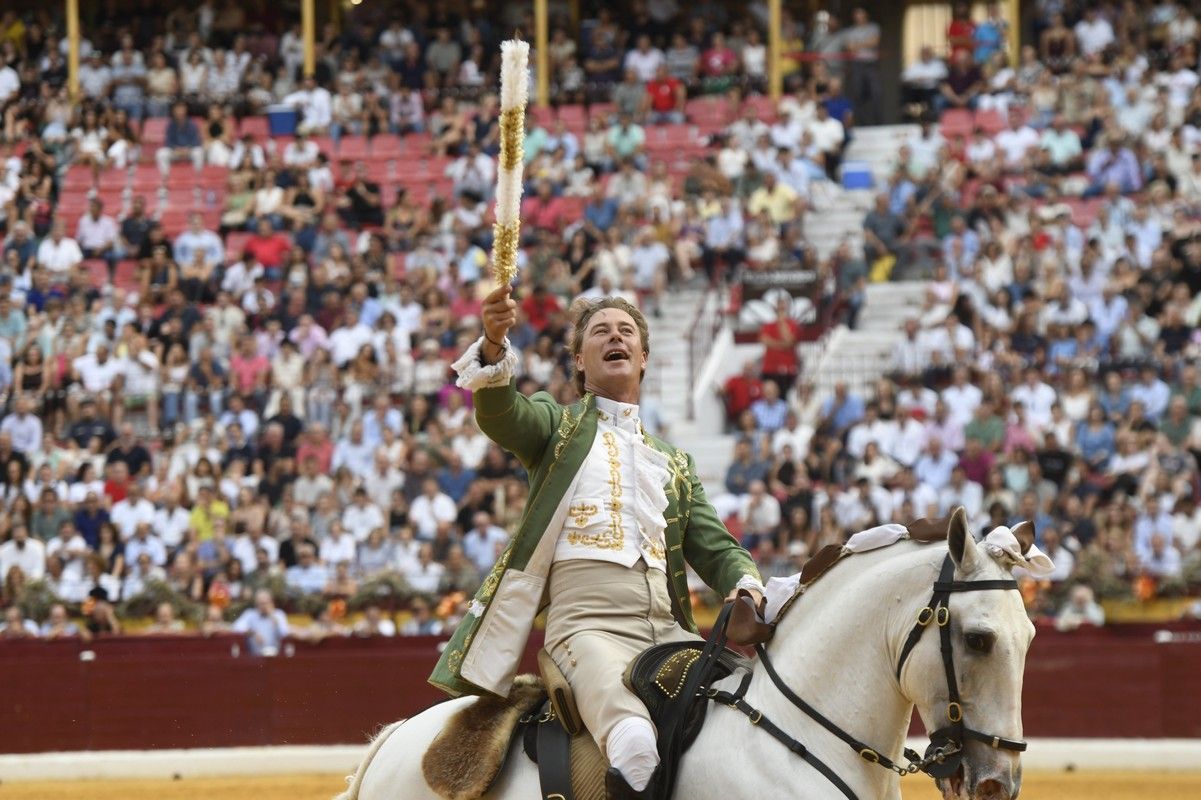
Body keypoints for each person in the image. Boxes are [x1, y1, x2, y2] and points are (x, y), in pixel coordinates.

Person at [429, 289, 763, 799]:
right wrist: (495, 343)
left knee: (746, 717)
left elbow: (717, 548)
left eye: (626, 331)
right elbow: (503, 414)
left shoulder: (674, 463)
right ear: (580, 361)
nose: (615, 335)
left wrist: (745, 588)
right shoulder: (557, 426)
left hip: (670, 628)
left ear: (644, 359)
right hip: (586, 626)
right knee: (632, 743)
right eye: (600, 331)